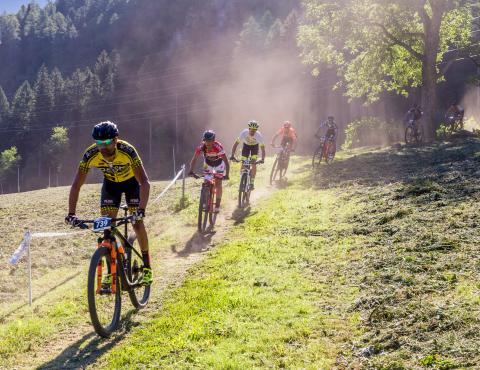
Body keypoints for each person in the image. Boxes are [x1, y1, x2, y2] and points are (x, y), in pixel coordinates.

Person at [65, 121, 153, 285]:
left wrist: (141, 210)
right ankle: (110, 271)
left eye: (106, 143)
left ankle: (147, 266)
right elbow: (76, 185)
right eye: (99, 144)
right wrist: (71, 213)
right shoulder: (90, 154)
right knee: (107, 226)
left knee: (137, 224)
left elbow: (145, 182)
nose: (103, 148)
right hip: (111, 186)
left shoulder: (128, 150)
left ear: (115, 139)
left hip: (132, 184)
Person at [188, 130, 230, 213]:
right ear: (204, 141)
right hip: (208, 164)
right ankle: (204, 200)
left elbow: (226, 162)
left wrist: (227, 174)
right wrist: (191, 171)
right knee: (206, 182)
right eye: (206, 143)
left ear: (214, 141)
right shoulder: (201, 147)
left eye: (210, 143)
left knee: (218, 184)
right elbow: (194, 159)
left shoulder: (218, 147)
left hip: (219, 164)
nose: (208, 145)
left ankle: (217, 205)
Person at [230, 120, 266, 190]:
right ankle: (242, 179)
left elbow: (263, 148)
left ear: (256, 130)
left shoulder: (258, 135)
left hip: (254, 147)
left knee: (253, 163)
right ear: (249, 129)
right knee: (243, 162)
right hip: (246, 146)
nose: (252, 132)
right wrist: (232, 155)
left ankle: (252, 182)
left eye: (254, 131)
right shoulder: (244, 133)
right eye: (251, 130)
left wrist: (262, 159)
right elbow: (235, 144)